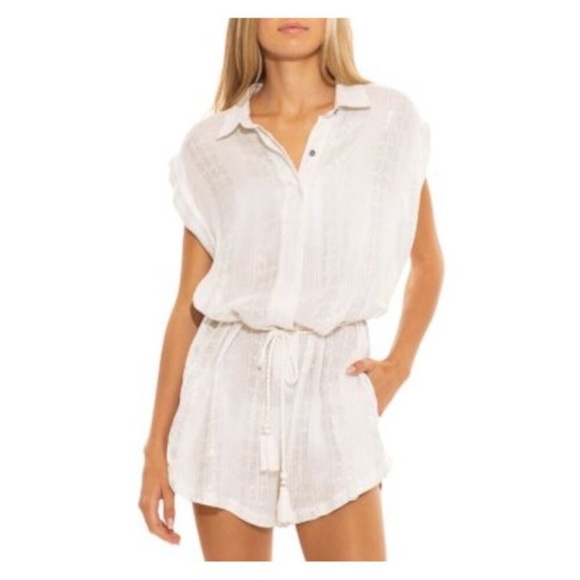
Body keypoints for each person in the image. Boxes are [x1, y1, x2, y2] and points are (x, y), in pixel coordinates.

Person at [139, 17, 444, 561]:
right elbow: (189, 304)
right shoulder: (211, 145)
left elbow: (427, 260)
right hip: (227, 401)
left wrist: (399, 365)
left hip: (334, 391)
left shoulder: (387, 121)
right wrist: (155, 448)